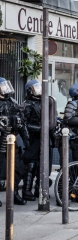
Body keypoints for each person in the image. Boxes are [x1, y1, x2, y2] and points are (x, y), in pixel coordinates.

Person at [0, 77, 29, 206]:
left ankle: (14, 193)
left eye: (6, 86)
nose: (6, 88)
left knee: (18, 168)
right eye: (3, 86)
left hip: (12, 141)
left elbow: (21, 122)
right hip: (0, 141)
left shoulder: (12, 102)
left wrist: (26, 139)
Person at [21, 80, 43, 201]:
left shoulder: (44, 102)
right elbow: (24, 123)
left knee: (43, 165)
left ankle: (39, 190)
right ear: (30, 90)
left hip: (43, 137)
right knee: (31, 164)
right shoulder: (27, 104)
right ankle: (26, 190)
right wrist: (39, 128)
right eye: (36, 88)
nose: (39, 89)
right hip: (33, 137)